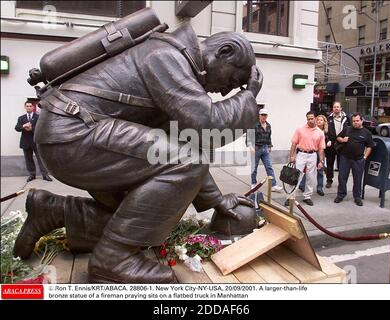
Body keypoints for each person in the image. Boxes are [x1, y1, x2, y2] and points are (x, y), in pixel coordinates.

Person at [13, 23, 263, 283]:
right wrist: (249, 97)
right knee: (184, 167)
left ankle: (55, 211)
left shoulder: (174, 59)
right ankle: (113, 259)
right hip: (74, 135)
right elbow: (207, 123)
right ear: (224, 52)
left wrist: (216, 200)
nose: (224, 91)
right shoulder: (165, 56)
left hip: (73, 133)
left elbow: (182, 143)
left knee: (143, 214)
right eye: (231, 82)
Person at [334, 112, 374, 206]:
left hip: (358, 159)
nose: (355, 122)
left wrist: (365, 157)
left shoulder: (366, 133)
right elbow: (338, 137)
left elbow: (369, 146)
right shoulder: (347, 129)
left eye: (357, 121)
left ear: (362, 120)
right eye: (353, 121)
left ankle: (357, 197)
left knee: (358, 179)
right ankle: (341, 195)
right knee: (342, 178)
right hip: (345, 158)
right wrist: (343, 140)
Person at [287, 111, 325, 206]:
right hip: (301, 154)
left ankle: (307, 196)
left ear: (315, 118)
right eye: (308, 119)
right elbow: (294, 144)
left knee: (310, 177)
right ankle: (290, 197)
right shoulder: (300, 129)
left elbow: (321, 148)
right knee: (295, 176)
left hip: (312, 155)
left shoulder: (320, 132)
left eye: (312, 118)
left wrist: (321, 161)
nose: (310, 120)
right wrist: (291, 156)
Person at [14, 101, 52, 182]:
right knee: (28, 159)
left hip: (36, 142)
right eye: (27, 106)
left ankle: (45, 175)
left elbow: (41, 128)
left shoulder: (38, 117)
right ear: (25, 107)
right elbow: (17, 128)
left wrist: (32, 129)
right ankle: (32, 175)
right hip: (25, 142)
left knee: (41, 159)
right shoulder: (21, 118)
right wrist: (23, 126)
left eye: (30, 106)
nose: (29, 107)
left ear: (33, 107)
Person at [248, 108, 282, 192]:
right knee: (254, 167)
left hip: (265, 148)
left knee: (269, 167)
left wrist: (270, 146)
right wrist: (251, 147)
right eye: (262, 115)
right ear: (259, 116)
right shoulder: (254, 125)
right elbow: (249, 137)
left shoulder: (268, 125)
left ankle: (273, 185)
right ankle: (253, 183)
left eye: (265, 115)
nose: (263, 117)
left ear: (267, 116)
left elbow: (269, 137)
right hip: (256, 148)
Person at [299, 115, 329, 196]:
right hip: (312, 152)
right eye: (318, 119)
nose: (319, 121)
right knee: (306, 170)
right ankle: (302, 185)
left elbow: (329, 139)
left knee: (320, 170)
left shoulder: (325, 132)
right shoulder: (311, 129)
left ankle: (319, 188)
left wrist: (329, 142)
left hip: (321, 152)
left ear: (324, 122)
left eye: (321, 120)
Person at [326, 101, 350, 188]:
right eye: (334, 107)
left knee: (342, 164)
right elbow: (325, 131)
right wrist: (327, 140)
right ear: (332, 108)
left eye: (338, 107)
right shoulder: (329, 118)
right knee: (330, 163)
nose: (336, 108)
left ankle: (341, 182)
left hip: (342, 144)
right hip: (331, 144)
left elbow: (350, 129)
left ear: (341, 108)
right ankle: (329, 180)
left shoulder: (346, 118)